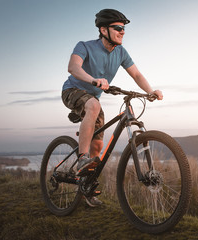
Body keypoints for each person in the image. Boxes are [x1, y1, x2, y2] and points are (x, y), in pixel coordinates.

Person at [61, 9, 163, 206]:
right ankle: (81, 158)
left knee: (98, 145)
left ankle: (87, 187)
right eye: (118, 28)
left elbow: (137, 75)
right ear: (103, 30)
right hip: (72, 90)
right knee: (94, 105)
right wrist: (93, 80)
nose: (122, 32)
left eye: (124, 29)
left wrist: (150, 91)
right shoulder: (84, 46)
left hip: (93, 98)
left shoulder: (121, 52)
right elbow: (73, 67)